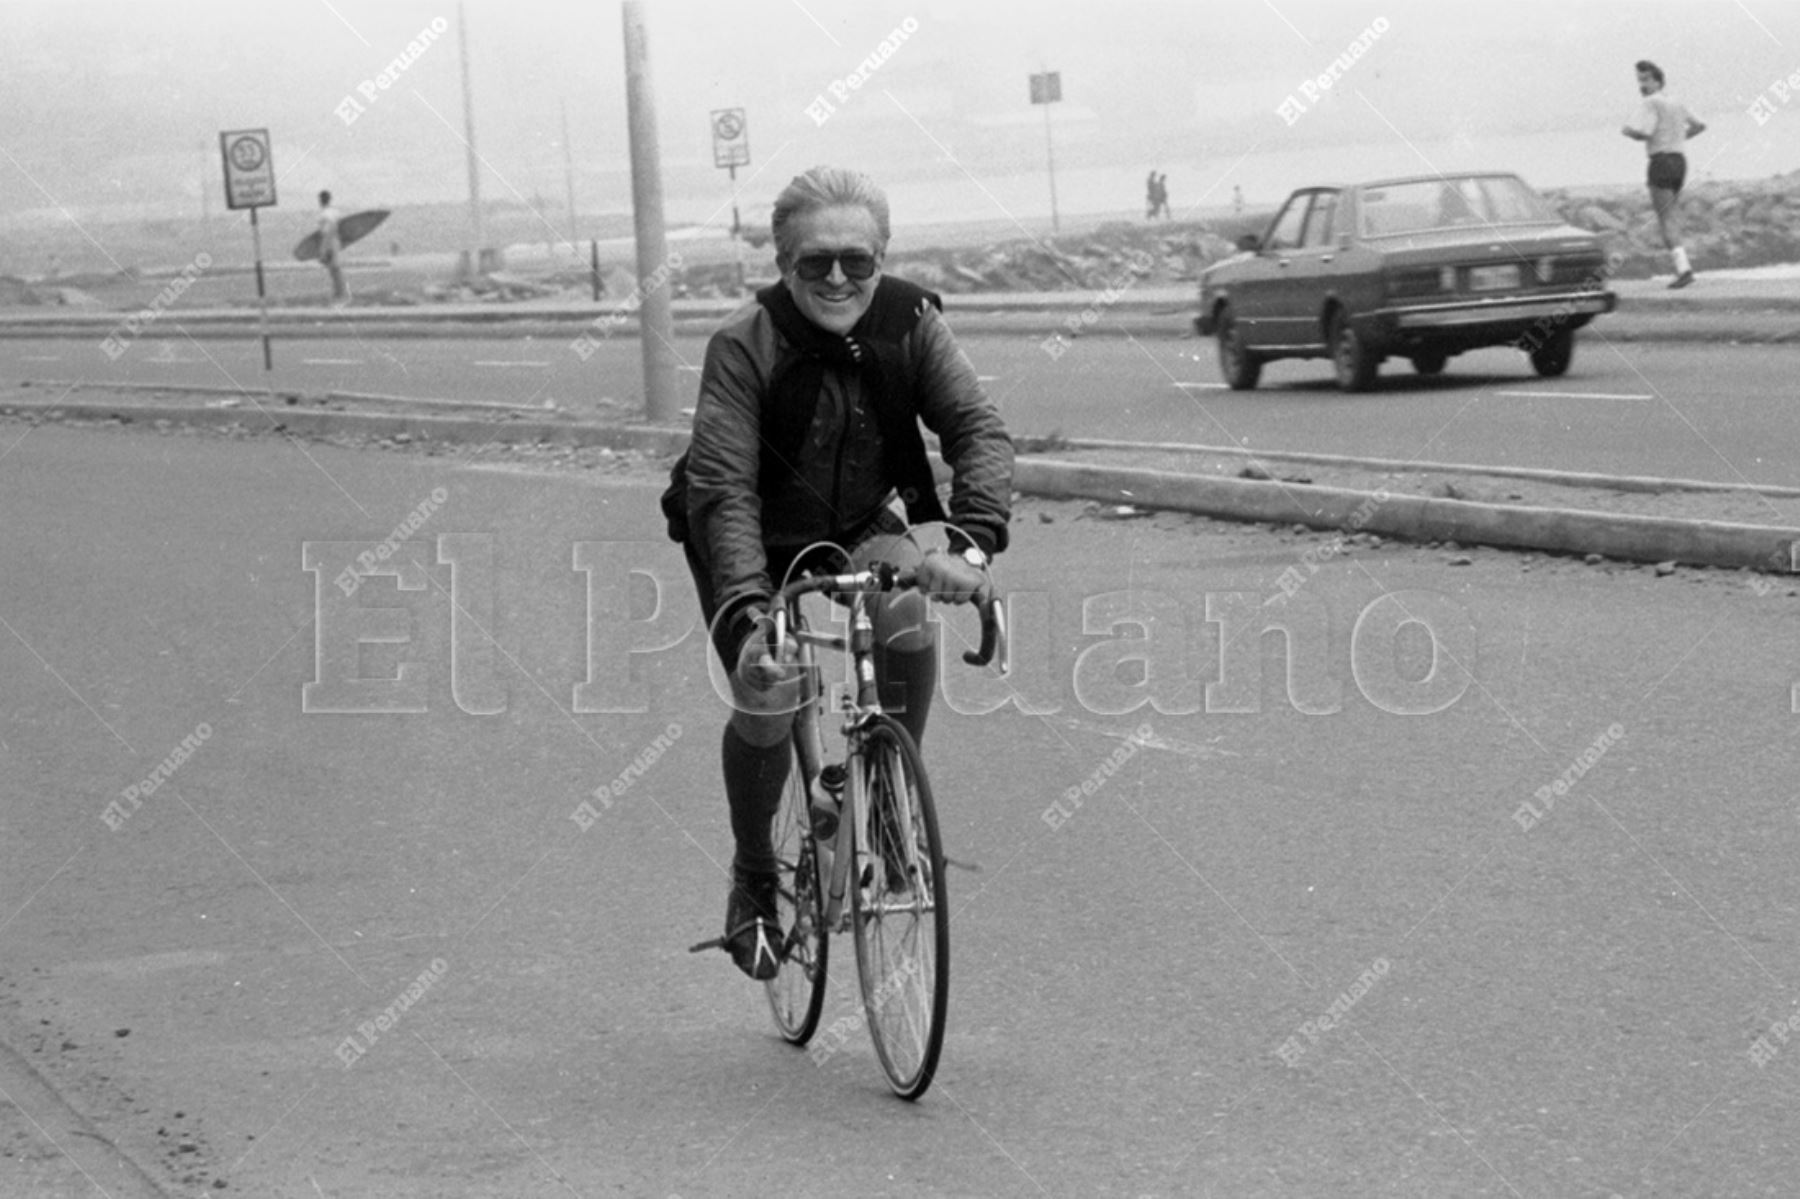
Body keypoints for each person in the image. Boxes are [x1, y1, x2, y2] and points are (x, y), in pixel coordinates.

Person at [677, 166, 1013, 980]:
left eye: (857, 262)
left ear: (882, 258)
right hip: (754, 536)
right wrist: (752, 614)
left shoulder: (910, 322)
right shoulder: (742, 345)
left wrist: (968, 549)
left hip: (863, 523)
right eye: (815, 263)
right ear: (785, 266)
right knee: (771, 687)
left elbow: (976, 427)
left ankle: (892, 798)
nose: (837, 279)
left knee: (905, 613)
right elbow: (723, 492)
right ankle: (755, 871)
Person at [1621, 59, 1705, 289]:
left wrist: (1628, 132)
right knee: (1672, 215)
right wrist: (1678, 139)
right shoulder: (1677, 101)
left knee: (1665, 219)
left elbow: (1644, 132)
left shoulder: (1651, 102)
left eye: (1646, 79)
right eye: (1640, 80)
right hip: (1679, 160)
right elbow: (1699, 125)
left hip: (1660, 161)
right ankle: (1683, 266)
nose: (1643, 85)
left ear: (1658, 80)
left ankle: (1683, 269)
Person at [316, 190, 350, 306]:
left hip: (329, 242)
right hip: (336, 241)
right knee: (336, 269)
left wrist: (323, 250)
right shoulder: (335, 212)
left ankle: (341, 296)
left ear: (321, 200)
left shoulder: (324, 214)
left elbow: (328, 231)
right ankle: (340, 295)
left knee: (334, 270)